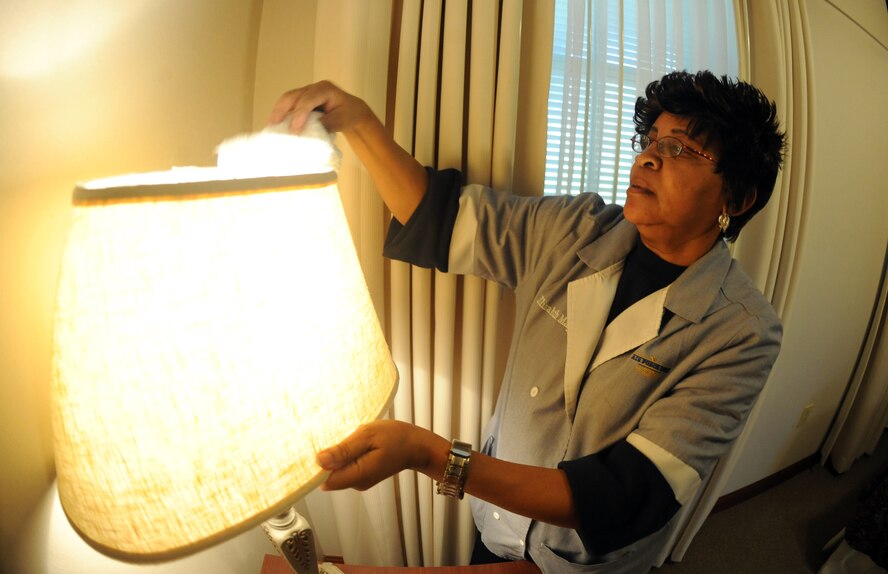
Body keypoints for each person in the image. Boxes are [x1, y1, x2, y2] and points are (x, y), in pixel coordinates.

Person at [270, 70, 786, 573]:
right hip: (495, 516)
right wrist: (357, 119)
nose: (648, 157)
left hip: (582, 557)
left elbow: (627, 494)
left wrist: (429, 455)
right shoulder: (573, 230)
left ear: (736, 200)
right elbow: (436, 216)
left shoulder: (741, 332)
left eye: (680, 149)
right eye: (651, 140)